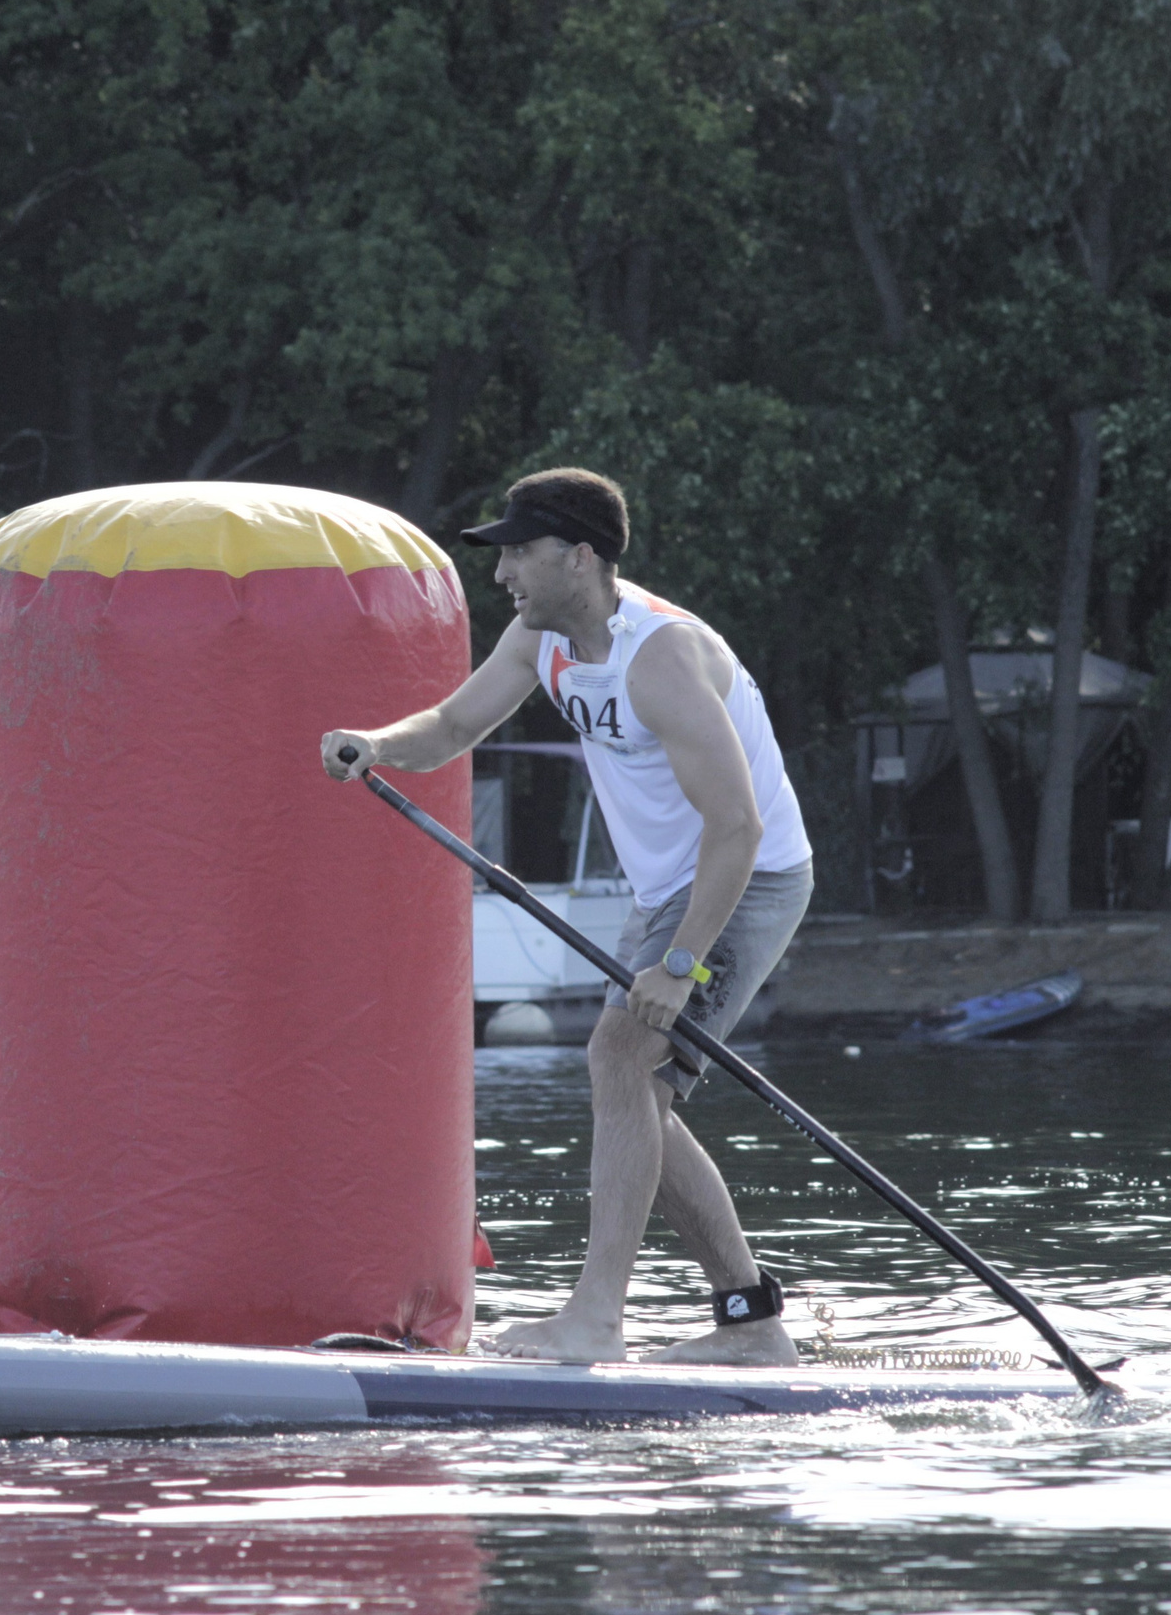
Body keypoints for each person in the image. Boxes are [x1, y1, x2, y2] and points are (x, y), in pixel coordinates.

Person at [320, 467, 813, 1365]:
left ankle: (596, 1319)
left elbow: (738, 829)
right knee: (639, 1096)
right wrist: (376, 745)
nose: (503, 570)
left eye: (519, 550)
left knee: (619, 1056)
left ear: (579, 556)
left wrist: (683, 962)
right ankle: (751, 1323)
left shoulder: (659, 659)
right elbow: (451, 725)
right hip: (664, 888)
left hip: (747, 877)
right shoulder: (539, 639)